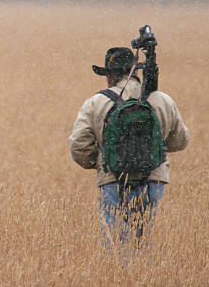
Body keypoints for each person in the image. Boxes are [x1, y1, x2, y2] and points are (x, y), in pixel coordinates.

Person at [68, 47, 189, 250]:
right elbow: (180, 141)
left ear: (109, 75)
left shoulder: (96, 102)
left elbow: (78, 146)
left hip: (112, 181)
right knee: (149, 245)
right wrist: (153, 150)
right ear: (136, 71)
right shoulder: (162, 100)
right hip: (153, 181)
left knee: (115, 247)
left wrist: (104, 161)